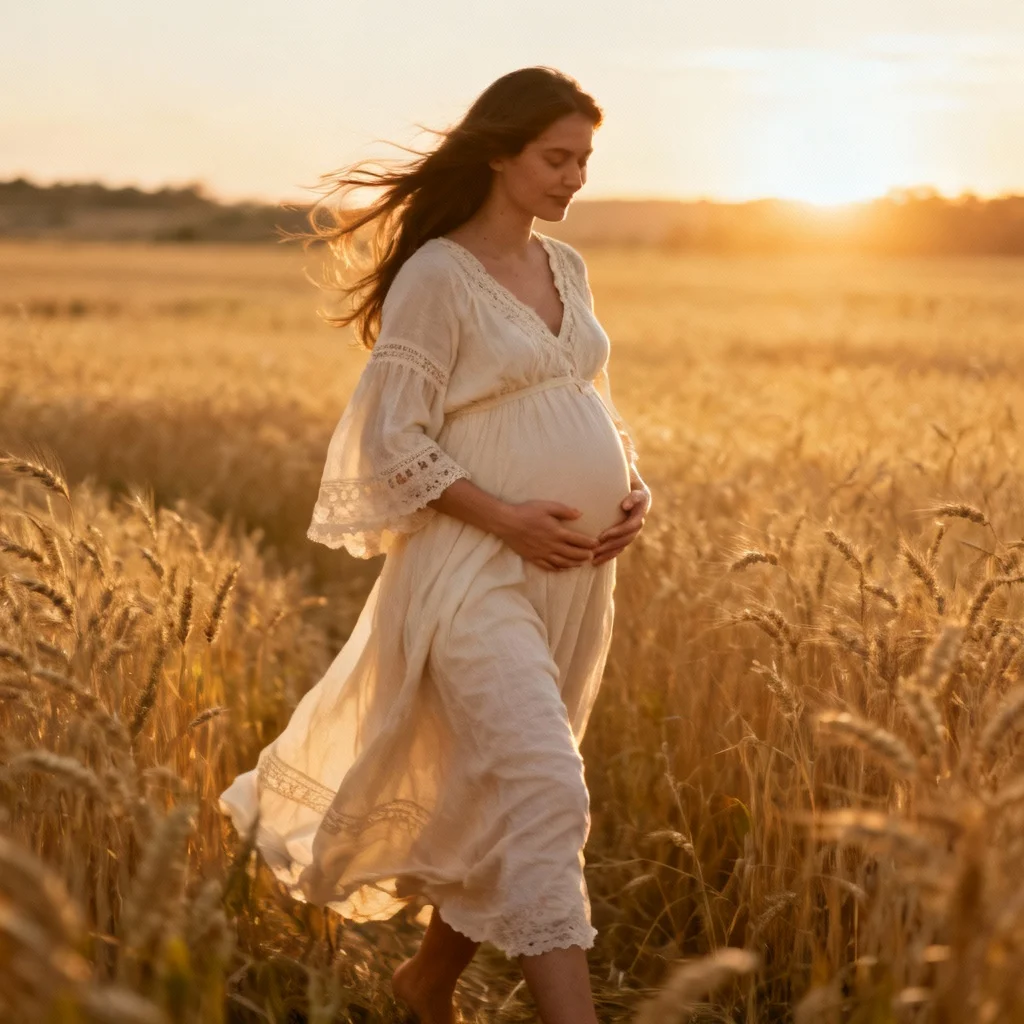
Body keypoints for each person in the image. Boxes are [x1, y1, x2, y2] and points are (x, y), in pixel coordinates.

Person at [219, 65, 652, 1024]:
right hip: (475, 571)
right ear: (499, 152)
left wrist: (632, 489)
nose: (574, 176)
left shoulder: (565, 269)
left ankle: (428, 983)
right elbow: (391, 440)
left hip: (573, 581)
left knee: (497, 786)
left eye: (584, 158)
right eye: (555, 156)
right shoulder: (439, 275)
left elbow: (590, 405)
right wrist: (506, 516)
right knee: (545, 782)